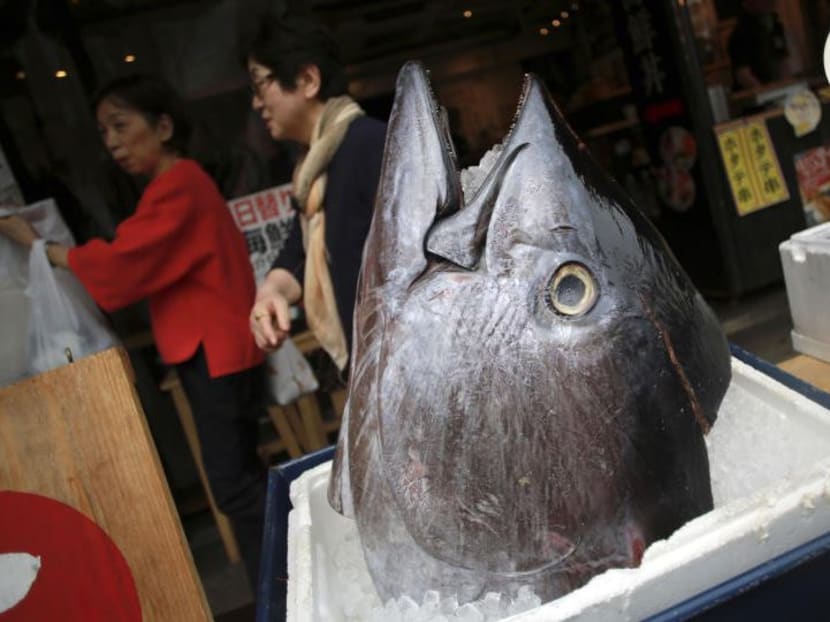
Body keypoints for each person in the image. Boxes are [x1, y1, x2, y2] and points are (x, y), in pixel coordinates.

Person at [0, 74, 268, 589]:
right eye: (105, 132)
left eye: (121, 126)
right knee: (242, 480)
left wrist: (38, 244)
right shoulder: (176, 186)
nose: (113, 143)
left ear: (163, 126)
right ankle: (278, 583)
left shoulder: (179, 184)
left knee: (236, 488)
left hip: (212, 352)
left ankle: (277, 585)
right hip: (215, 351)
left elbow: (122, 265)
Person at [244, 14, 386, 375]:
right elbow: (301, 251)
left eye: (261, 85)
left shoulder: (370, 144)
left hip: (402, 362)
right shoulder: (313, 170)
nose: (256, 104)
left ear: (308, 80)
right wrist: (272, 291)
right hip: (371, 366)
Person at [728, 0, 789, 90]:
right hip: (757, 97)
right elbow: (743, 75)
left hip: (778, 92)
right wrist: (766, 92)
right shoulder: (740, 34)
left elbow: (783, 62)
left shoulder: (776, 27)